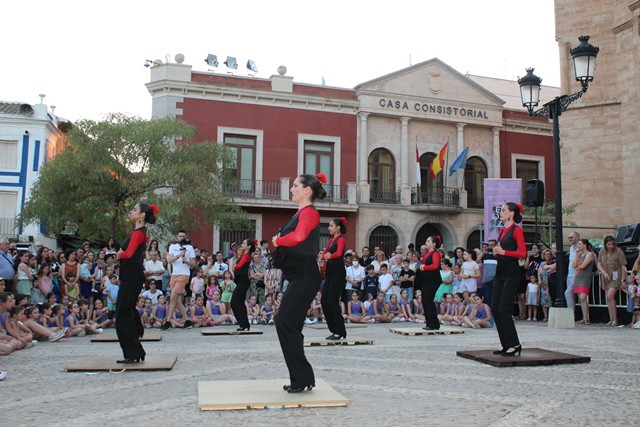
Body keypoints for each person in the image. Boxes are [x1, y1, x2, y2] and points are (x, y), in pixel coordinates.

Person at [271, 173, 325, 393]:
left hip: (306, 275)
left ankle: (302, 378)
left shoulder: (310, 213)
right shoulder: (300, 213)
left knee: (285, 322)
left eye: (295, 185)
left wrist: (278, 240)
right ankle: (302, 378)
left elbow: (299, 237)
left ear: (307, 190)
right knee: (286, 323)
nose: (291, 189)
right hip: (300, 276)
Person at [114, 202, 158, 363]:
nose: (131, 212)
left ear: (141, 215)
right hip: (131, 276)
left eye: (134, 210)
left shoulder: (138, 233)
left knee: (122, 315)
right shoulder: (139, 232)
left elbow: (129, 254)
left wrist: (120, 253)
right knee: (125, 312)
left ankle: (133, 350)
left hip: (131, 277)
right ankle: (135, 349)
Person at [491, 202, 526, 356]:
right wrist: (497, 252)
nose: (501, 212)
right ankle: (505, 344)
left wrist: (503, 252)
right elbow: (502, 251)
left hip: (512, 273)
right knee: (495, 308)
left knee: (504, 308)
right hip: (500, 272)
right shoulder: (502, 231)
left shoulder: (516, 230)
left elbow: (522, 253)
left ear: (511, 213)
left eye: (504, 210)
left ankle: (515, 344)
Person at [320, 217, 347, 340]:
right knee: (324, 301)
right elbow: (325, 253)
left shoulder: (341, 240)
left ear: (338, 228)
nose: (329, 228)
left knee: (332, 301)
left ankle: (340, 331)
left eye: (331, 226)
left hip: (338, 273)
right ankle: (333, 330)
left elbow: (339, 253)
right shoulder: (330, 240)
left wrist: (328, 256)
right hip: (330, 273)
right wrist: (323, 258)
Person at [163, 230, 196, 330]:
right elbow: (169, 260)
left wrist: (186, 261)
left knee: (173, 296)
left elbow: (193, 264)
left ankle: (168, 321)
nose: (181, 237)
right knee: (177, 300)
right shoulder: (173, 247)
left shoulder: (190, 248)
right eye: (180, 236)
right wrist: (179, 255)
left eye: (183, 236)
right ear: (177, 237)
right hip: (174, 274)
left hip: (184, 274)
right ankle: (187, 321)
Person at [597, 235, 627, 327]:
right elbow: (599, 263)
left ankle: (615, 319)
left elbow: (623, 266)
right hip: (606, 275)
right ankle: (611, 319)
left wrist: (623, 280)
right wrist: (604, 272)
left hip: (615, 276)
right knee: (608, 298)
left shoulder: (618, 251)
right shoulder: (602, 251)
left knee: (610, 296)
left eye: (612, 244)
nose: (611, 246)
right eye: (609, 244)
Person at [418, 236, 443, 331]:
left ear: (434, 243)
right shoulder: (427, 253)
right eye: (426, 241)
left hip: (433, 280)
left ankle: (434, 324)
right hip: (426, 280)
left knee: (428, 300)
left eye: (428, 241)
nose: (426, 242)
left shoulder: (435, 254)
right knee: (425, 300)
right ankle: (429, 323)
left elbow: (435, 266)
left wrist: (424, 267)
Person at [231, 239, 255, 331]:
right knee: (238, 303)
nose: (242, 244)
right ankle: (244, 324)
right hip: (241, 281)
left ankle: (243, 324)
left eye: (244, 243)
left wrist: (234, 267)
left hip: (243, 282)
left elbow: (238, 266)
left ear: (248, 246)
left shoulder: (246, 256)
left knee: (236, 302)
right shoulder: (245, 255)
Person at [573, 238, 596, 325]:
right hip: (578, 277)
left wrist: (577, 267)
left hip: (585, 277)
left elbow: (583, 266)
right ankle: (584, 317)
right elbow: (574, 264)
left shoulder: (589, 254)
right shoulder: (580, 255)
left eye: (579, 244)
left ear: (584, 245)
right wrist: (576, 255)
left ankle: (587, 318)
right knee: (581, 299)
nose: (578, 246)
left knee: (583, 297)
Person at [477, 240, 497, 306]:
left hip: (495, 278)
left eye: (492, 245)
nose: (490, 246)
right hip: (486, 279)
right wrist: (483, 252)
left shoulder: (498, 256)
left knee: (495, 297)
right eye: (489, 245)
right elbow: (477, 260)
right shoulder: (485, 255)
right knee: (487, 297)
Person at [565, 231, 580, 309]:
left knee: (568, 293)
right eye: (569, 238)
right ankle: (572, 314)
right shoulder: (571, 248)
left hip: (576, 273)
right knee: (571, 294)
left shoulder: (580, 247)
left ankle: (570, 313)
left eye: (572, 237)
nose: (570, 239)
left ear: (577, 237)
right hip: (570, 273)